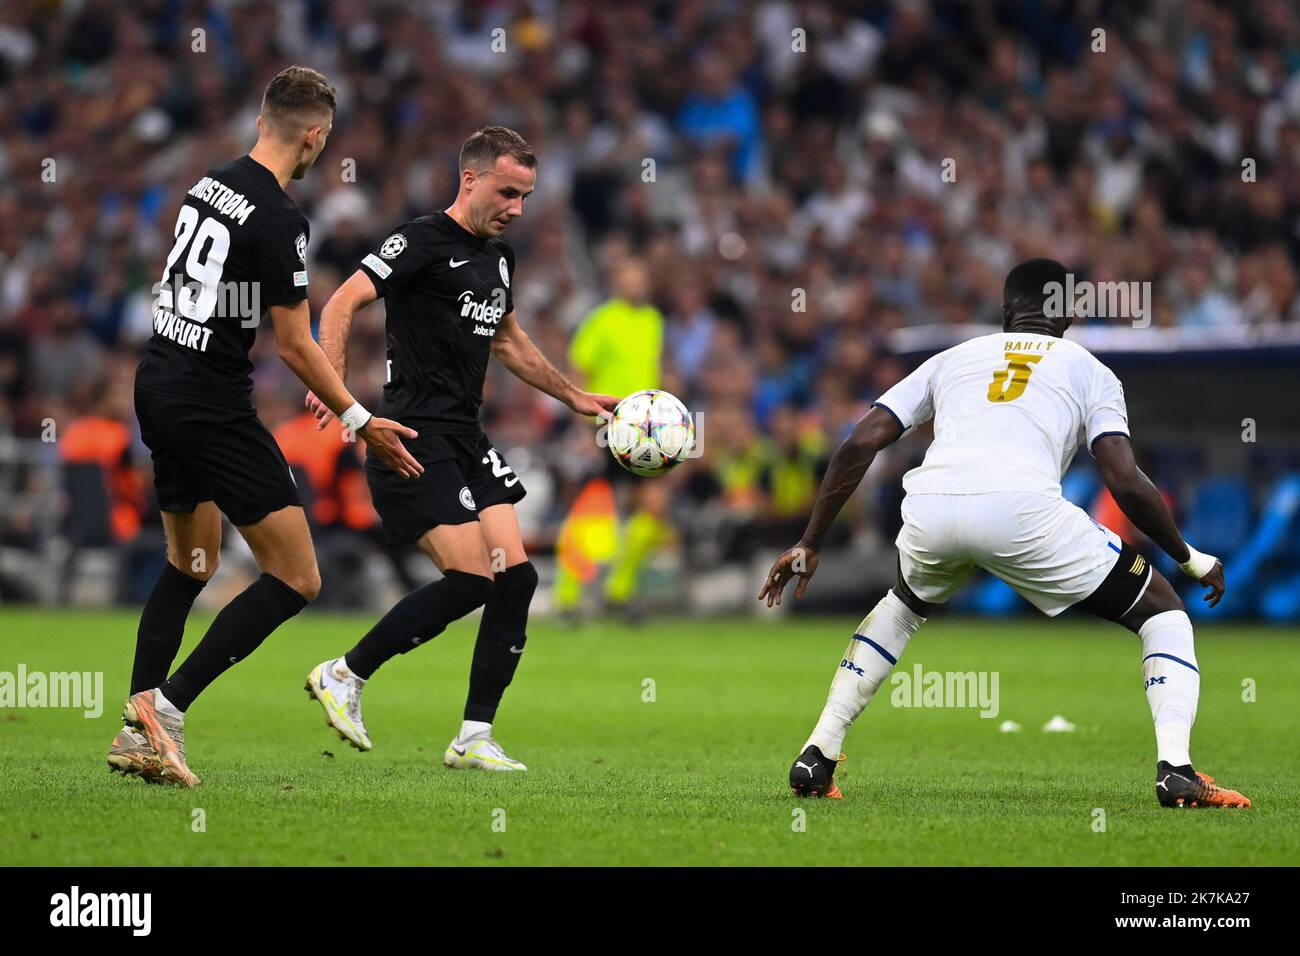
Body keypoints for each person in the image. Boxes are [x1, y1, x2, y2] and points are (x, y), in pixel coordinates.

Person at [760, 258, 1250, 809]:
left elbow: (860, 443)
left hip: (932, 507)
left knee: (902, 605)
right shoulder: (1089, 370)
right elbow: (1124, 480)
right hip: (1023, 512)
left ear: (1004, 311)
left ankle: (816, 756)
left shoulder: (952, 356)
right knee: (1162, 611)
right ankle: (1176, 772)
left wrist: (811, 541)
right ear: (1068, 317)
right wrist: (1188, 557)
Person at [110, 66, 421, 787]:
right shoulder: (281, 219)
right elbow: (295, 343)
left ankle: (138, 732)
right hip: (211, 402)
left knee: (191, 564)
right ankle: (168, 709)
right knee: (297, 575)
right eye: (325, 141)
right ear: (314, 136)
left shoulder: (209, 183)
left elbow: (194, 297)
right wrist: (359, 417)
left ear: (261, 119)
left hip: (159, 379)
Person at [304, 126, 617, 771]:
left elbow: (505, 340)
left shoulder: (500, 259)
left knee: (517, 579)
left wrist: (574, 396)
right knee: (472, 579)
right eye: (507, 192)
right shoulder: (420, 240)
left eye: (526, 196)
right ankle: (345, 672)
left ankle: (473, 734)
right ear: (469, 179)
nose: (516, 209)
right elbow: (340, 303)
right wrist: (337, 392)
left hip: (467, 436)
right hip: (411, 435)